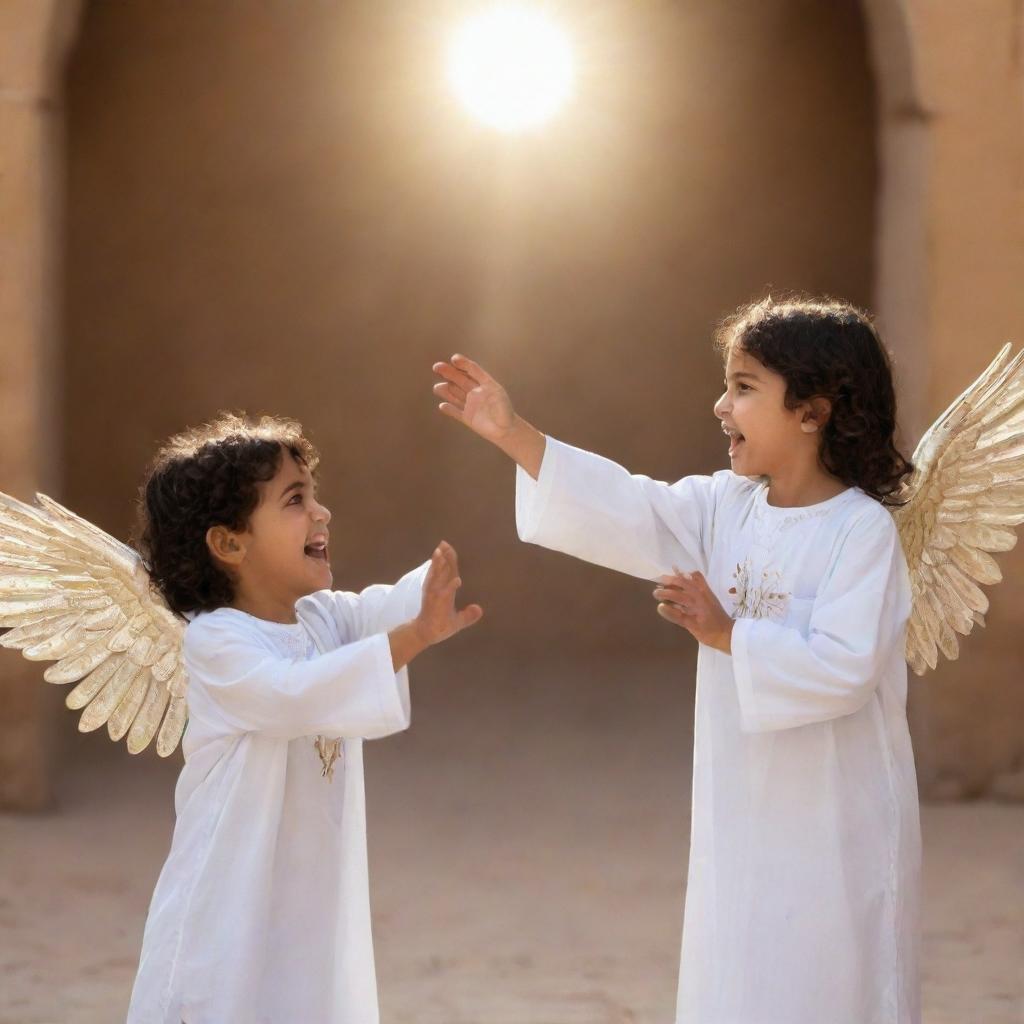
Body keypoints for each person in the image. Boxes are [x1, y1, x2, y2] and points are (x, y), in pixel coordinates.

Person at [432, 296, 921, 1024]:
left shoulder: (860, 532)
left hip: (835, 818)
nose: (720, 404)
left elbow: (846, 669)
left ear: (813, 412)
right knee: (743, 960)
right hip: (741, 805)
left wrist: (730, 636)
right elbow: (631, 507)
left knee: (827, 970)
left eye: (745, 387)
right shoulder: (726, 506)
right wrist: (515, 435)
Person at [126, 412, 482, 1024]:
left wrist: (427, 592)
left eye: (314, 495)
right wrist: (413, 637)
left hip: (304, 902)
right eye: (296, 500)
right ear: (229, 544)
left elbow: (377, 611)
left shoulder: (320, 617)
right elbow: (293, 693)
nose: (322, 514)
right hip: (229, 903)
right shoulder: (218, 642)